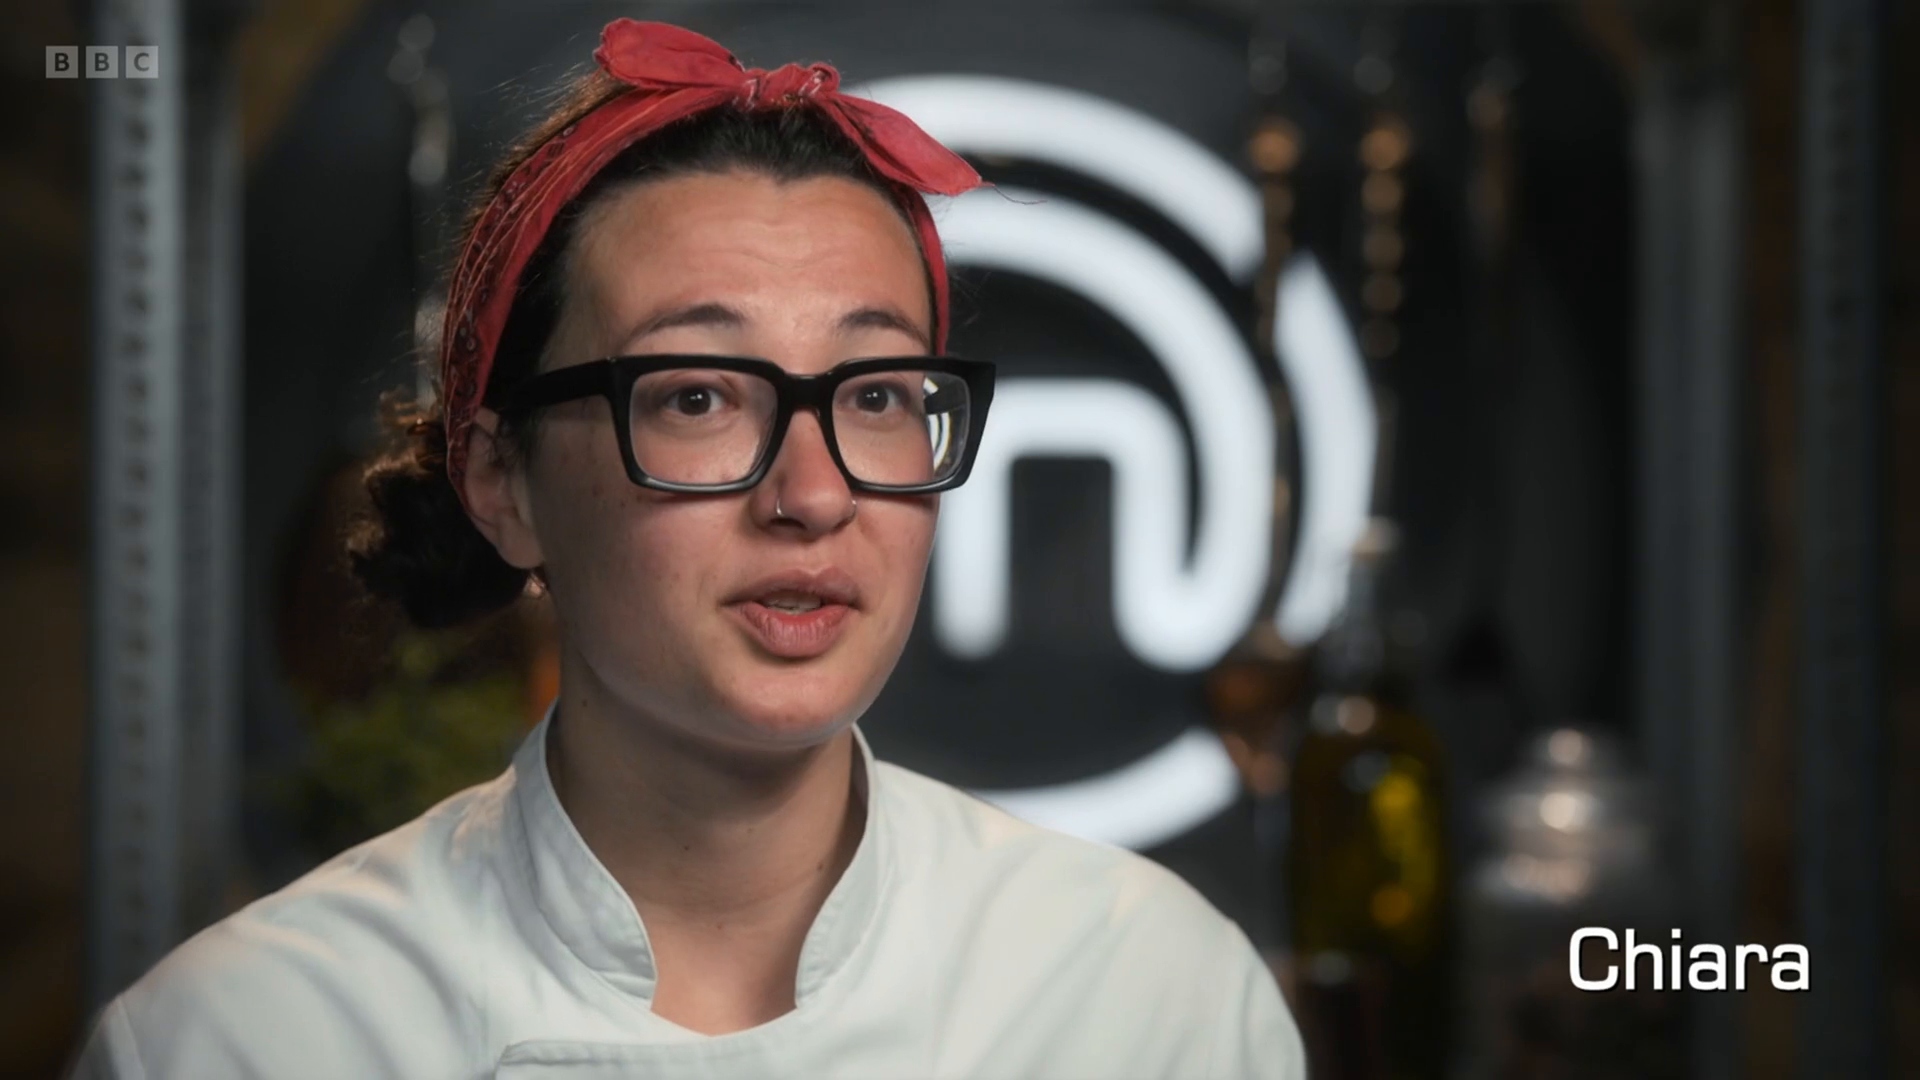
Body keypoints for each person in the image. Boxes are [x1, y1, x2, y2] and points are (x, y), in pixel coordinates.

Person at [72, 20, 1306, 1079]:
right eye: (698, 397)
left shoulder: (1149, 996)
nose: (812, 496)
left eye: (878, 393)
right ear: (504, 482)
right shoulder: (240, 1037)